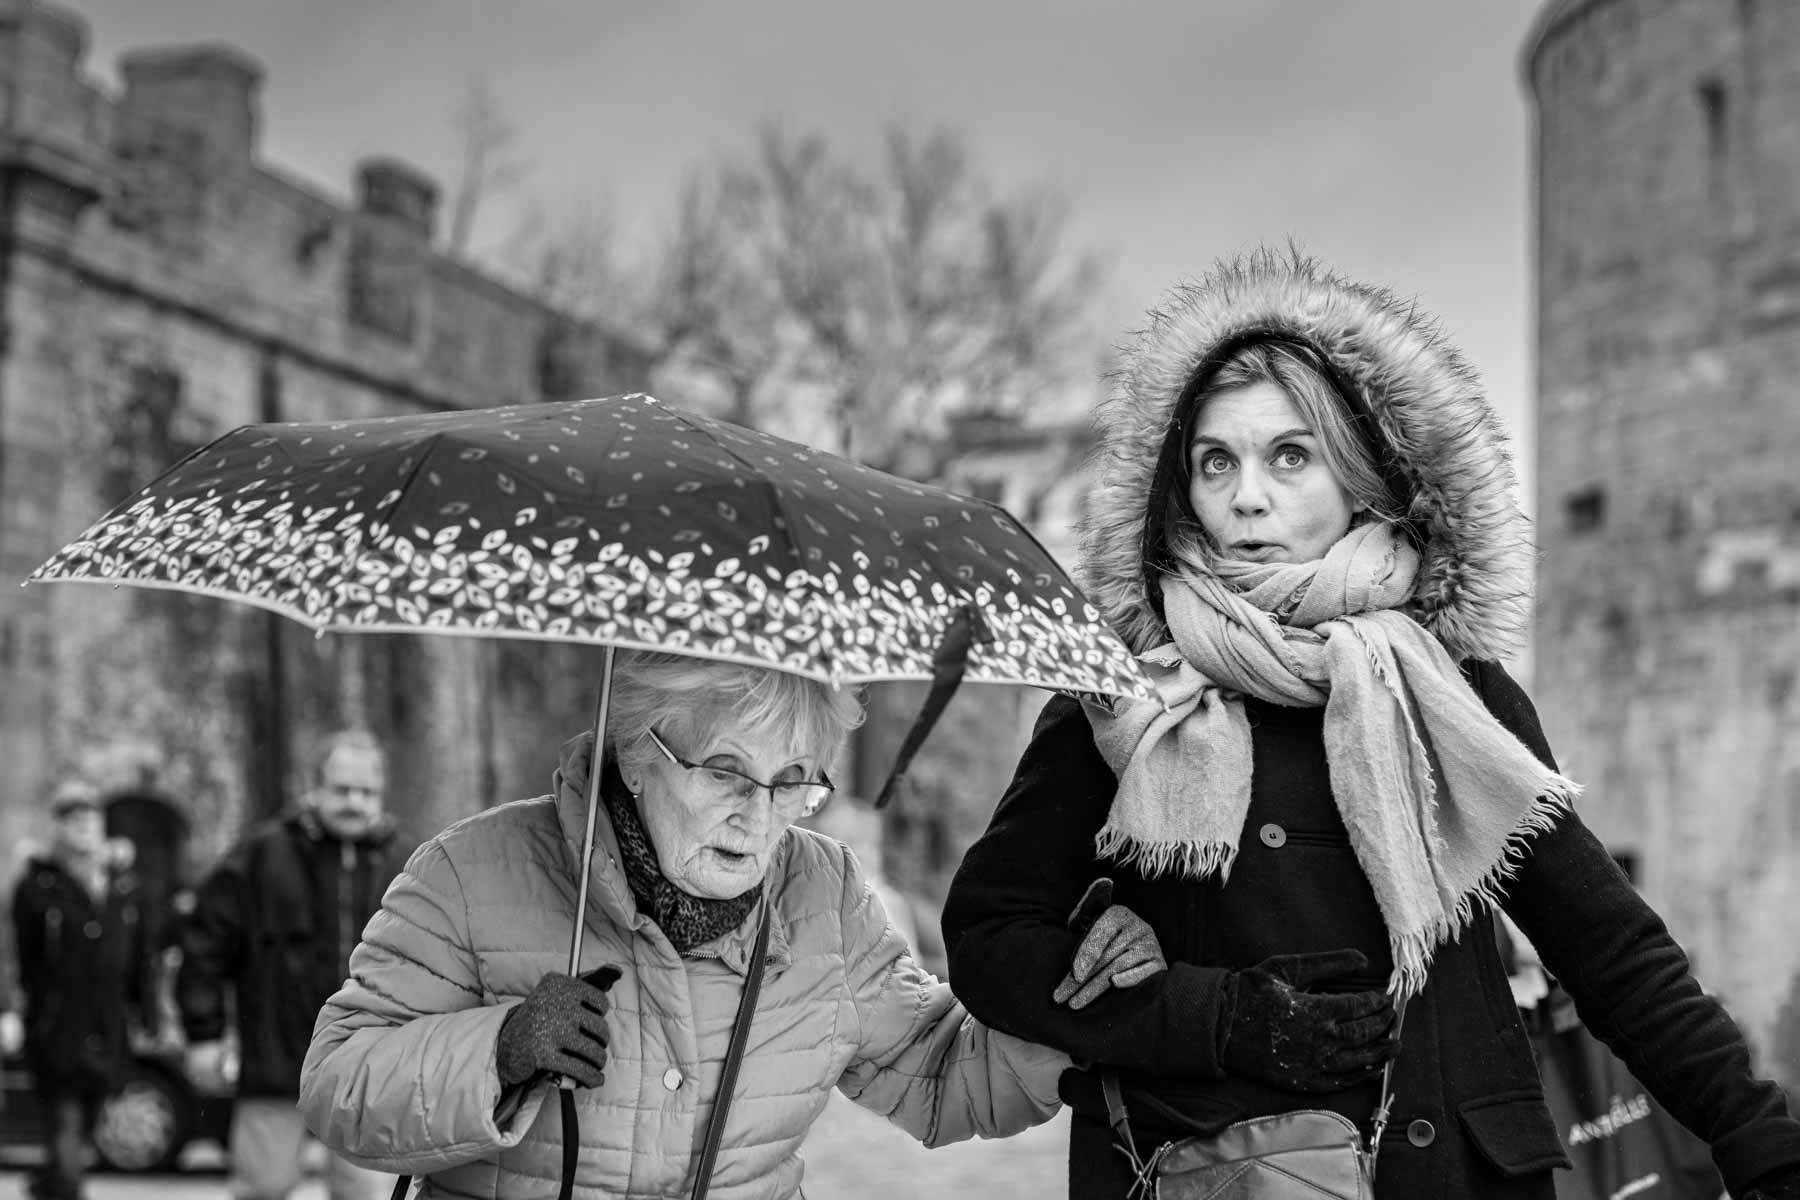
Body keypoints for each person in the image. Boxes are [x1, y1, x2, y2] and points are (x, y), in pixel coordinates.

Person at [939, 248, 1800, 1199]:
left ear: (1359, 478)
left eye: (1290, 456)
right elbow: (989, 941)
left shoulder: (1455, 690)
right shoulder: (1124, 699)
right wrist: (1220, 1018)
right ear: (1178, 487)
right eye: (1213, 460)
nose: (1246, 494)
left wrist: (1763, 1143)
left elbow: (1612, 953)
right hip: (1218, 1173)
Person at [299, 650, 1068, 1197]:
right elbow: (338, 1084)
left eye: (792, 779)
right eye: (727, 771)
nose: (758, 814)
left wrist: (1065, 992)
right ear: (637, 754)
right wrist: (500, 1051)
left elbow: (944, 1077)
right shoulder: (472, 871)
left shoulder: (823, 893)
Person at [178, 730, 406, 1200]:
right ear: (315, 788)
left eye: (366, 793)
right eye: (342, 789)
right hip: (275, 1060)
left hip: (367, 1066)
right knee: (262, 1188)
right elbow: (204, 942)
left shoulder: (407, 862)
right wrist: (203, 1034)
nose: (354, 802)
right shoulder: (262, 855)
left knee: (368, 1194)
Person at [10, 779, 158, 1200]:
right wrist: (13, 1011)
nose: (82, 826)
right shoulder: (36, 886)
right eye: (71, 818)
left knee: (85, 1128)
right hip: (56, 1025)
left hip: (108, 1025)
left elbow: (142, 955)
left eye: (89, 817)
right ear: (56, 826)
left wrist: (148, 1014)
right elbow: (17, 954)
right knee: (66, 1125)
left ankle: (48, 1184)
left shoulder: (124, 885)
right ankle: (63, 1186)